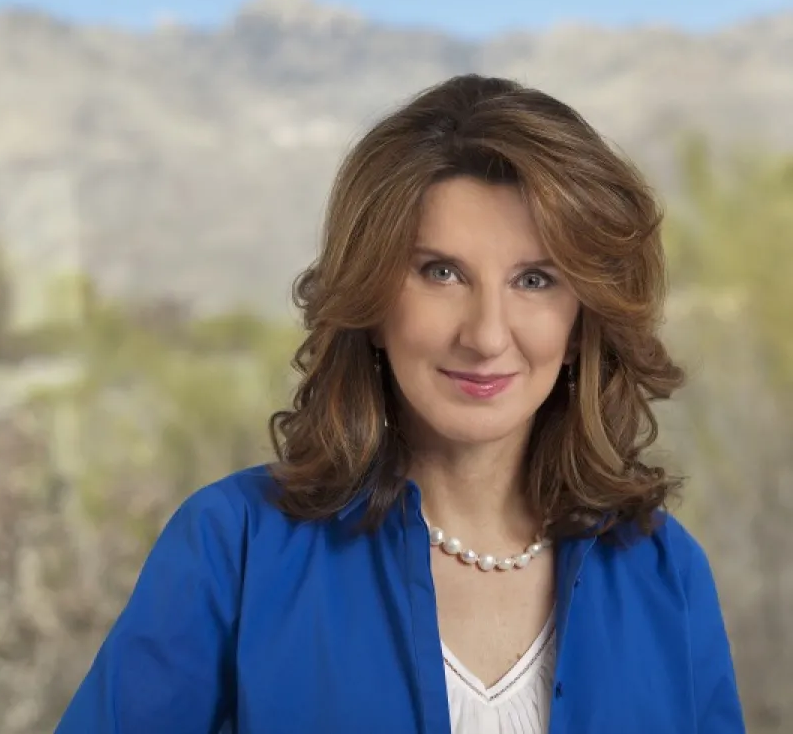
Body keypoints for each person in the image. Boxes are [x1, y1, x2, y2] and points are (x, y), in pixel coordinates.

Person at [54, 74, 746, 734]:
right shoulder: (231, 549)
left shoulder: (666, 574)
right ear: (373, 299)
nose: (485, 334)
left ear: (580, 325)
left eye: (535, 279)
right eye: (441, 272)